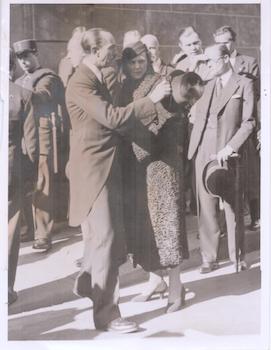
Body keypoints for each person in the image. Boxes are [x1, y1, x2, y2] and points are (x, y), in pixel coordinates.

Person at [65, 28, 171, 333]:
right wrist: (150, 99)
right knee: (106, 238)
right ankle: (107, 315)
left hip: (107, 165)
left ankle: (88, 281)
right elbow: (111, 117)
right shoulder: (81, 82)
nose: (115, 54)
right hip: (94, 169)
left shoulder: (96, 74)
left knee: (107, 236)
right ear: (96, 51)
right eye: (111, 49)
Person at [118, 41, 202, 312]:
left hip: (162, 167)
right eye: (131, 61)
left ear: (150, 59)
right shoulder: (124, 88)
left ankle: (176, 286)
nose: (137, 66)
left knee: (168, 227)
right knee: (144, 228)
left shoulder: (163, 84)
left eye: (141, 60)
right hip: (137, 168)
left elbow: (172, 121)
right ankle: (156, 280)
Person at [188, 44, 256, 274]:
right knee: (205, 205)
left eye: (212, 61)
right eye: (206, 62)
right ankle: (209, 257)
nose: (208, 66)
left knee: (232, 206)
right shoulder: (206, 86)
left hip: (228, 150)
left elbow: (249, 122)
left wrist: (230, 146)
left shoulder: (244, 83)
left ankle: (237, 255)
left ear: (226, 58)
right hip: (203, 150)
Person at [13, 39, 67, 251]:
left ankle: (43, 234)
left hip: (43, 138)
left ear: (36, 54)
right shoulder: (19, 81)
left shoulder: (47, 77)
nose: (24, 62)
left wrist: (13, 91)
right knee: (27, 186)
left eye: (27, 56)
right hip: (24, 139)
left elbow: (42, 96)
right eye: (20, 58)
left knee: (42, 184)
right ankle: (31, 229)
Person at [213, 25, 260, 231]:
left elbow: (257, 97)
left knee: (249, 175)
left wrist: (259, 126)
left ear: (234, 40)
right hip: (224, 127)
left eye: (228, 41)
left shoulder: (248, 62)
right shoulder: (214, 65)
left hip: (245, 124)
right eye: (220, 42)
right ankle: (225, 225)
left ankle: (256, 216)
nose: (224, 45)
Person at [8, 48, 38, 304]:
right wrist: (31, 175)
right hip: (10, 169)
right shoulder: (23, 95)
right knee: (9, 230)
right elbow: (32, 144)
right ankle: (5, 288)